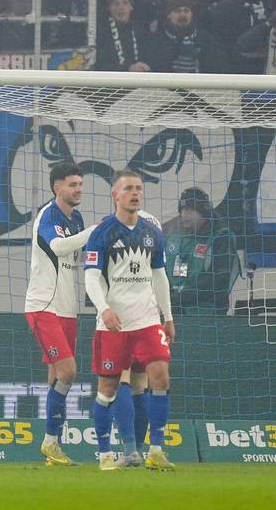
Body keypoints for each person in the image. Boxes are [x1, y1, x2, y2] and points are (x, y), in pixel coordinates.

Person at [84, 170, 175, 471]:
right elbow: (91, 277)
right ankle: (104, 453)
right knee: (107, 388)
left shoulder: (153, 232)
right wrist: (103, 308)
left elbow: (159, 276)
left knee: (160, 376)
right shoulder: (102, 232)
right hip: (114, 323)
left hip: (148, 320)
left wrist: (168, 316)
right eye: (128, 189)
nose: (135, 193)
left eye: (138, 188)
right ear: (115, 195)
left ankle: (157, 449)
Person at [26, 162, 95, 464]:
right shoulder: (48, 215)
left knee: (56, 375)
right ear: (57, 187)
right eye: (72, 184)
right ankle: (50, 442)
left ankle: (51, 447)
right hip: (44, 306)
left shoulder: (76, 218)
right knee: (69, 372)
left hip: (68, 308)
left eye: (80, 184)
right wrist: (93, 231)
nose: (78, 189)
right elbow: (56, 246)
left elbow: (77, 256)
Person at [161, 188, 237, 314]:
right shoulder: (175, 236)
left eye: (190, 211)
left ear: (203, 212)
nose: (184, 215)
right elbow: (173, 272)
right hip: (177, 310)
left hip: (209, 313)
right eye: (183, 210)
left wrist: (179, 298)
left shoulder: (222, 236)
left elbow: (218, 280)